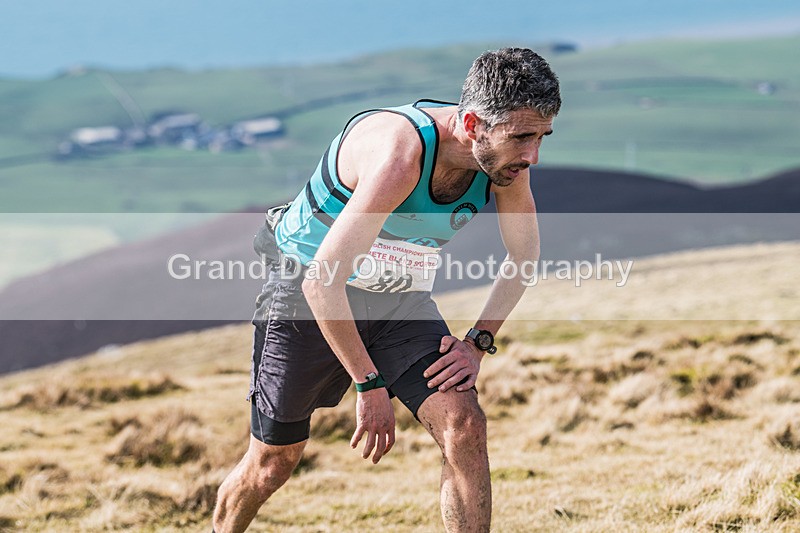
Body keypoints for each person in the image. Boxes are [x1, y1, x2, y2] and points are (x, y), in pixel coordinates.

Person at [213, 47, 561, 532]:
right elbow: (322, 281)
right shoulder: (400, 156)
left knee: (464, 425)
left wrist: (478, 341)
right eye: (522, 137)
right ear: (472, 123)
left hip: (399, 299)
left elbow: (524, 257)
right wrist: (368, 383)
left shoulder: (505, 165)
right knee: (274, 463)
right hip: (307, 290)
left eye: (543, 136)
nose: (532, 156)